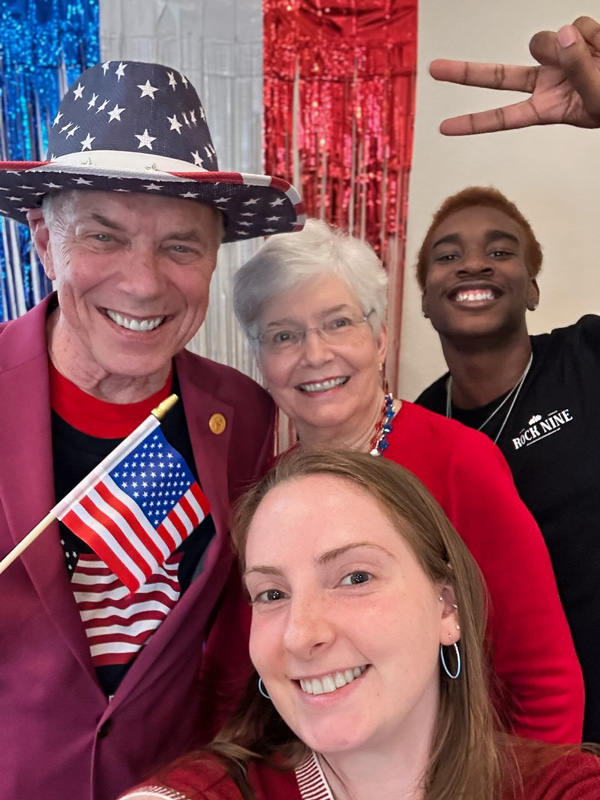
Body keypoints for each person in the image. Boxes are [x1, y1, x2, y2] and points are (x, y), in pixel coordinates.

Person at [0, 60, 304, 800]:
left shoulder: (244, 415)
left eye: (180, 246)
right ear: (44, 238)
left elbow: (237, 628)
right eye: (103, 237)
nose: (143, 283)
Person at [230, 217, 583, 744]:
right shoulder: (269, 489)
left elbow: (543, 677)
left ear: (379, 339)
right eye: (284, 336)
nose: (316, 354)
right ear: (261, 360)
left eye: (338, 323)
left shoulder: (461, 460)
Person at [120, 451, 600, 800]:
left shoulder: (559, 786)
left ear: (447, 608)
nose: (300, 634)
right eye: (272, 594)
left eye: (355, 577)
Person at [415, 15, 600, 743]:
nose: (474, 264)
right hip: (510, 747)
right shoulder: (416, 430)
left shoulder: (589, 356)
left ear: (530, 288)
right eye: (448, 255)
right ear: (425, 297)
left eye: (501, 251)